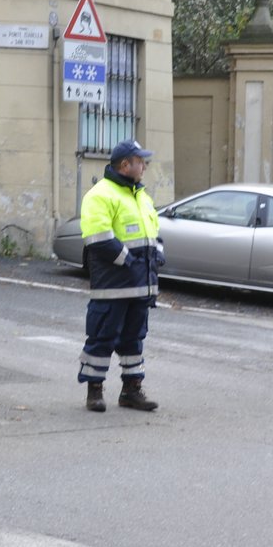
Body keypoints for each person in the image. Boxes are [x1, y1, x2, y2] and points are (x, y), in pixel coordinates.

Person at [76, 138, 163, 412]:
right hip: (113, 286)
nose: (145, 167)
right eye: (141, 162)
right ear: (125, 165)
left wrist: (158, 254)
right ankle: (94, 391)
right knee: (102, 337)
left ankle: (131, 391)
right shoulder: (100, 194)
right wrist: (130, 262)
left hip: (140, 286)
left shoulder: (141, 196)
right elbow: (98, 239)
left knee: (134, 340)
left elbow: (153, 233)